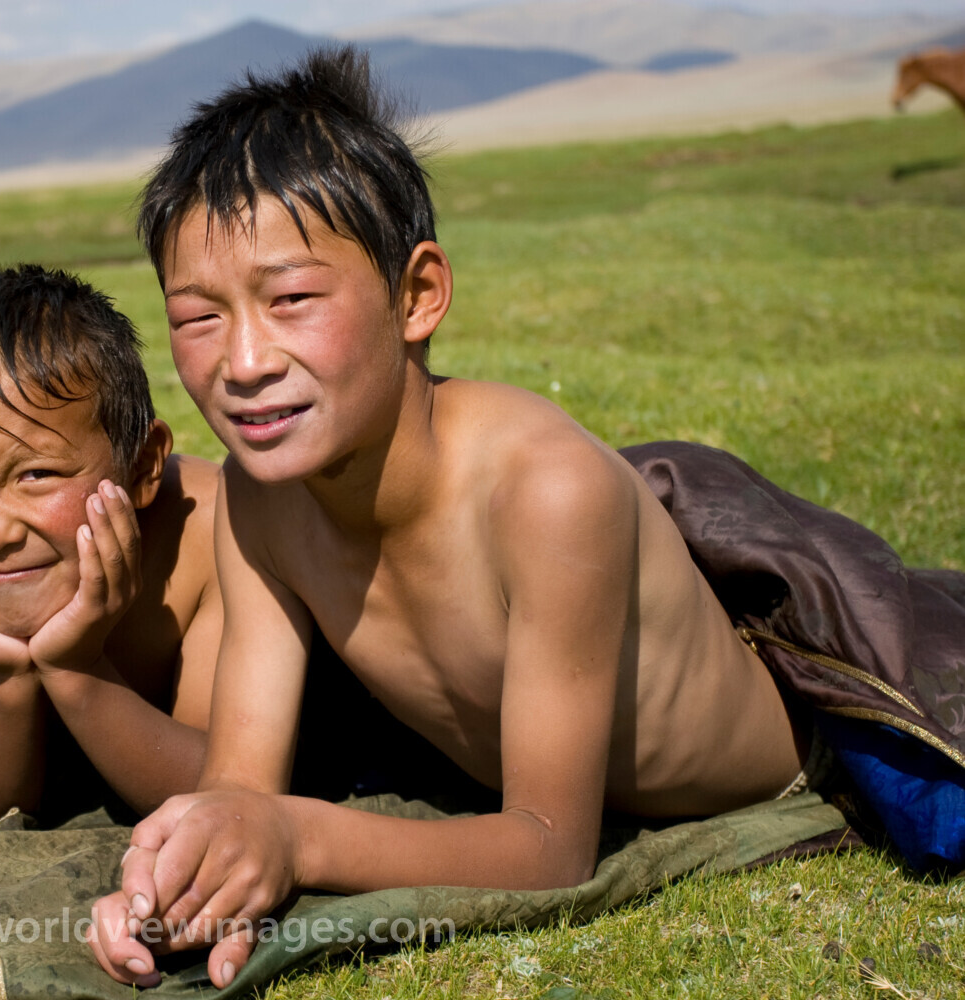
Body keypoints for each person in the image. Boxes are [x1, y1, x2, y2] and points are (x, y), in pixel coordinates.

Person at [89, 47, 965, 989]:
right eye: (198, 317)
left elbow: (549, 847)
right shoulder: (261, 499)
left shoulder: (542, 492)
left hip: (797, 764)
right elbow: (240, 786)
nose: (245, 359)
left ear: (417, 295)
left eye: (293, 299)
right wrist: (173, 880)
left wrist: (295, 838)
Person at [0, 264, 223, 836]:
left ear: (142, 466)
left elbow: (223, 790)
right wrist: (12, 682)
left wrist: (74, 668)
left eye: (35, 474)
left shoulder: (210, 530)